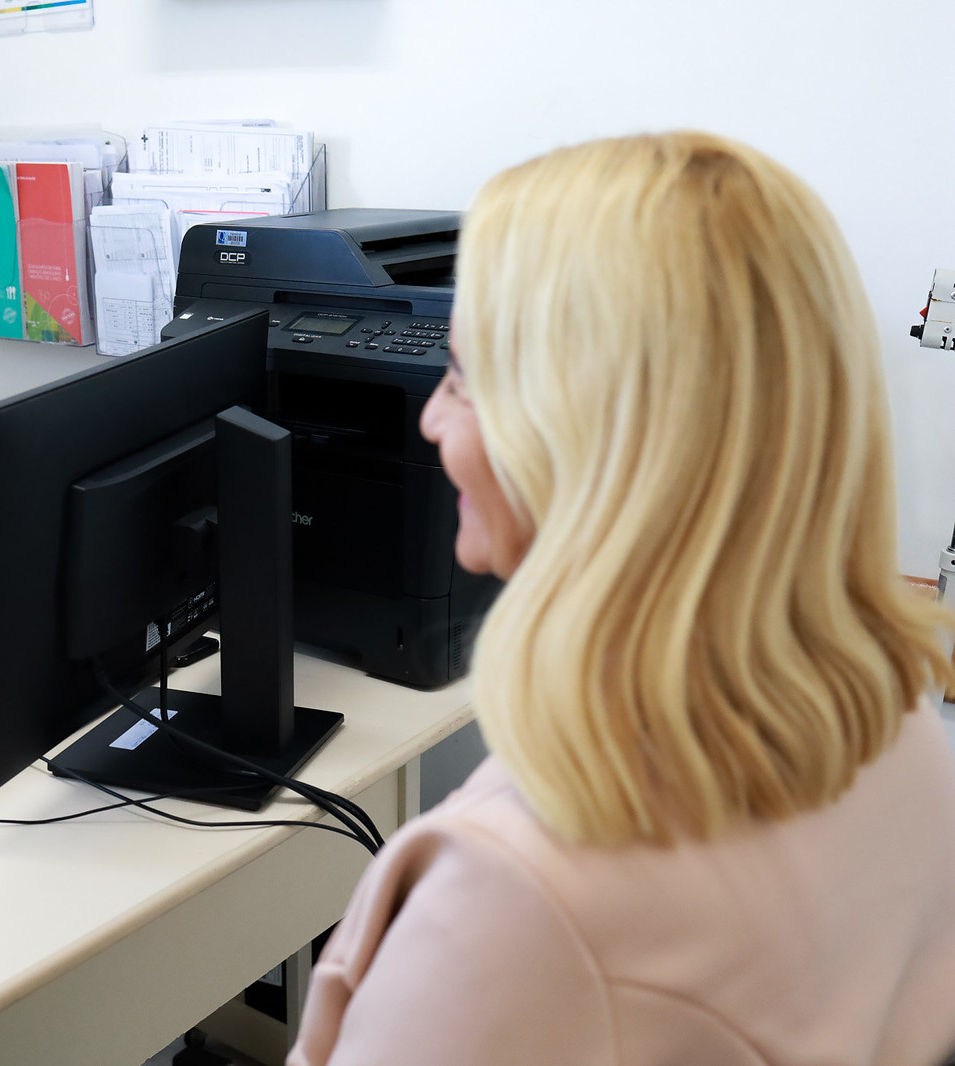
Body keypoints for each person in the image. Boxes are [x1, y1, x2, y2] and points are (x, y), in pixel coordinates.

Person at [288, 133, 955, 1064]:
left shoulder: (512, 905)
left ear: (593, 435)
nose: (431, 416)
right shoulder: (894, 720)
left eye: (463, 377)